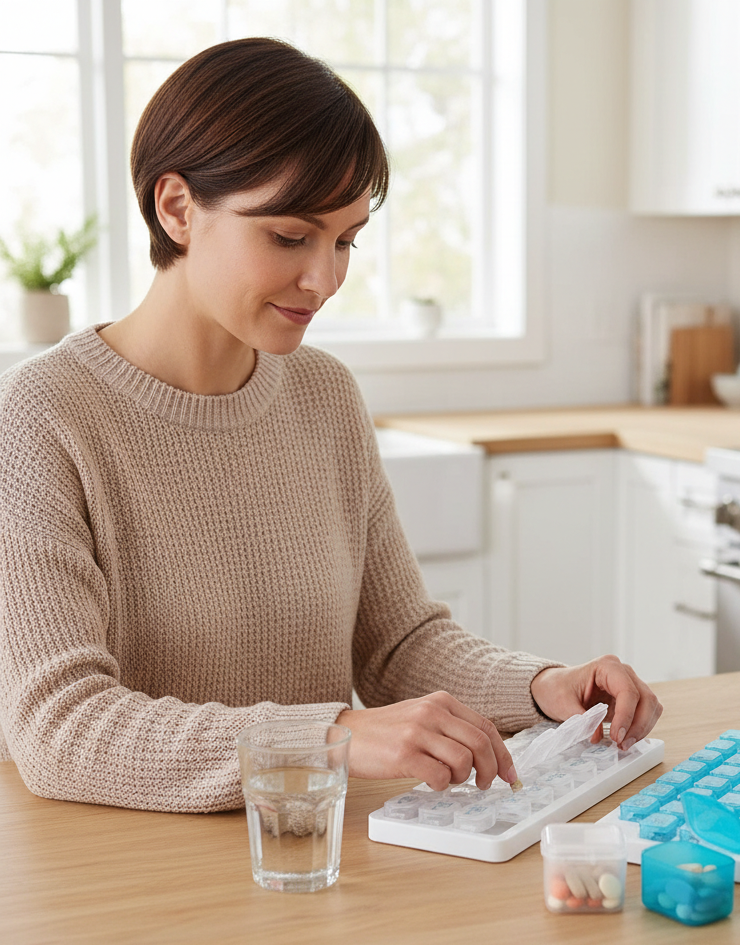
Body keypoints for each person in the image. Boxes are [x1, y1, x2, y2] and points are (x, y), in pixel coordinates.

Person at [0, 38, 661, 814]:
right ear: (176, 207)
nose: (325, 279)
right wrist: (330, 735)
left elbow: (396, 645)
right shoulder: (44, 416)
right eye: (290, 236)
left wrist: (544, 688)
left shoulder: (323, 394)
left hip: (313, 858)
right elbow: (59, 727)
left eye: (345, 240)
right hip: (133, 888)